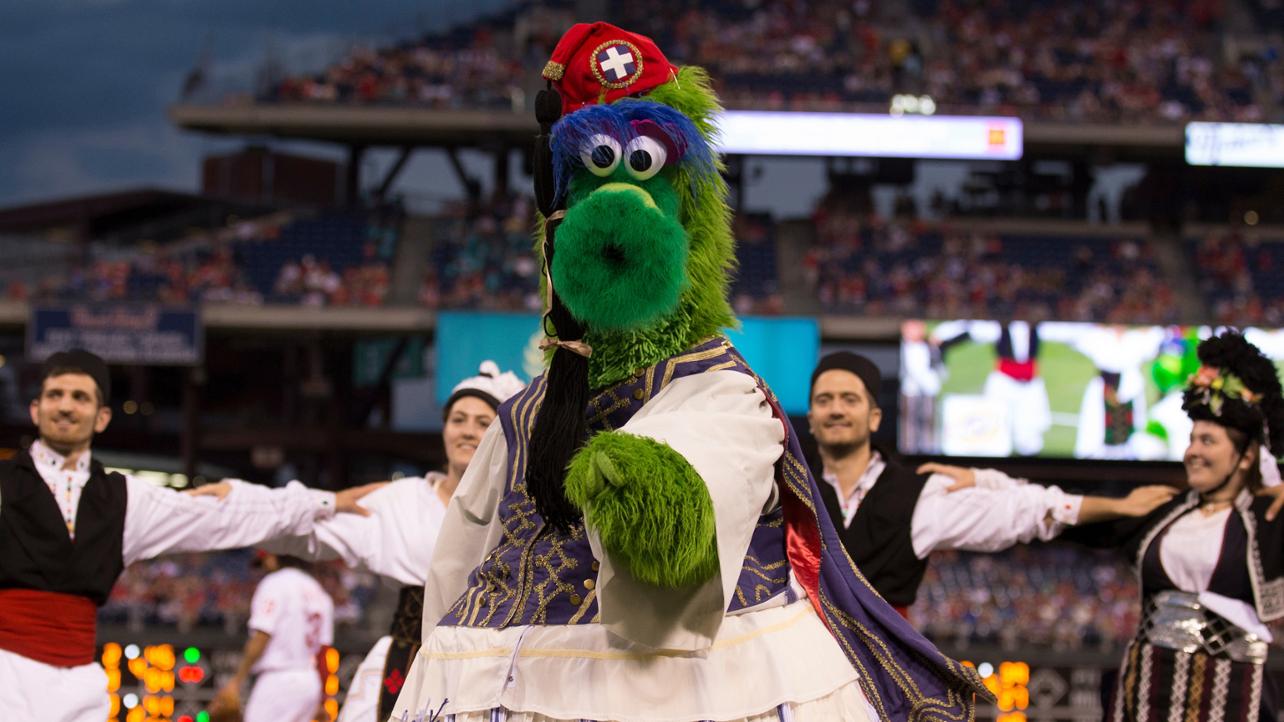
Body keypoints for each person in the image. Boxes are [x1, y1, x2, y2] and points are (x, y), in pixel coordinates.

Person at [0, 349, 379, 721]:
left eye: (79, 397)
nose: (65, 406)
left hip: (80, 685)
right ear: (35, 410)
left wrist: (322, 502)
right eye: (55, 395)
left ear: (101, 418)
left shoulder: (126, 498)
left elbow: (223, 518)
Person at [809, 350, 1177, 615]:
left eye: (849, 399)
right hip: (802, 673)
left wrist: (1120, 505)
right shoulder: (788, 491)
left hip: (882, 671)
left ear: (874, 418)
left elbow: (1029, 509)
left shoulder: (920, 492)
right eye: (825, 400)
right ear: (810, 418)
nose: (837, 409)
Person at [261, 361, 524, 721]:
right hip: (404, 661)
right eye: (458, 419)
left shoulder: (519, 511)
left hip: (485, 665)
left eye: (483, 423)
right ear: (444, 428)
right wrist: (246, 505)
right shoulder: (401, 500)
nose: (467, 432)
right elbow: (302, 533)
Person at [1054, 331, 1284, 721]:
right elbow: (1061, 516)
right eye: (1192, 439)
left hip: (1233, 697)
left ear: (1245, 457)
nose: (1192, 451)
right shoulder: (1162, 510)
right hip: (1147, 690)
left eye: (1208, 441)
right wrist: (982, 482)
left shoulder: (1270, 517)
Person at [210, 552, 335, 722]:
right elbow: (323, 652)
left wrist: (236, 681)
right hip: (309, 681)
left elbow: (262, 636)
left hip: (279, 679)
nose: (264, 567)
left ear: (274, 557)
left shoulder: (275, 583)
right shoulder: (318, 591)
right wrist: (322, 698)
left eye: (265, 561)